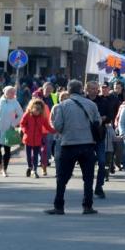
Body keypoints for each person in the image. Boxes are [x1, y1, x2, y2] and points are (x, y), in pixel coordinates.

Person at [46, 80, 101, 215]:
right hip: (88, 145)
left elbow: (58, 126)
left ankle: (59, 206)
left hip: (68, 145)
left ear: (69, 91)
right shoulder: (91, 105)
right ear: (82, 90)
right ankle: (87, 206)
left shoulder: (62, 106)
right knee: (88, 178)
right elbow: (98, 122)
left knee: (62, 178)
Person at [0, 86, 24, 177]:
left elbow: (21, 115)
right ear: (5, 92)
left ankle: (5, 169)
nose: (12, 94)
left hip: (9, 129)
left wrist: (13, 124)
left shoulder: (15, 103)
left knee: (7, 150)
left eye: (13, 92)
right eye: (10, 92)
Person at [20, 97, 55, 178]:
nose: (36, 112)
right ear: (31, 108)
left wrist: (55, 131)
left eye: (38, 110)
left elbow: (48, 126)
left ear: (41, 110)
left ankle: (34, 170)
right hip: (28, 139)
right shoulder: (27, 115)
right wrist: (25, 131)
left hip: (38, 139)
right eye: (35, 110)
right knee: (29, 156)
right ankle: (29, 167)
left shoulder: (42, 117)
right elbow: (22, 124)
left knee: (36, 156)